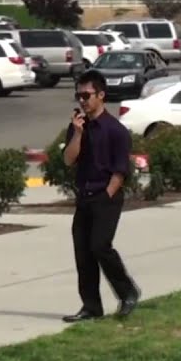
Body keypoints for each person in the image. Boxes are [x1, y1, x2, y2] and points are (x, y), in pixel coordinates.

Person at [61, 69, 141, 323]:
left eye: (87, 95)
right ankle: (91, 307)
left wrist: (107, 195)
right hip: (84, 196)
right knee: (83, 253)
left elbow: (120, 171)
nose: (82, 100)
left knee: (100, 246)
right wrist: (78, 133)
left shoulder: (116, 130)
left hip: (106, 197)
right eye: (79, 96)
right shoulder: (78, 127)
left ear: (101, 95)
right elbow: (68, 159)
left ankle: (127, 292)